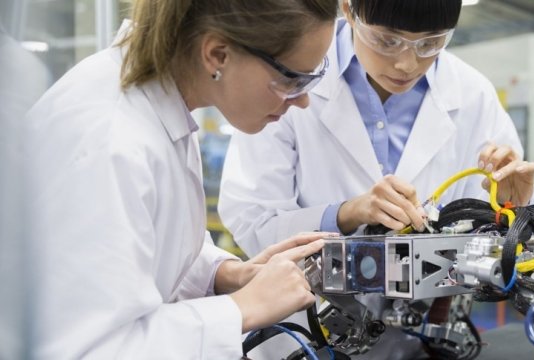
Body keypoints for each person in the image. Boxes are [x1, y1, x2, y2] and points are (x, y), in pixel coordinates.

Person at [219, 0, 534, 358]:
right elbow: (252, 220)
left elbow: (513, 252)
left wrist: (516, 205)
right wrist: (347, 213)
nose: (407, 63)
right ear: (349, 9)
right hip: (306, 334)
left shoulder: (473, 95)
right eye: (387, 41)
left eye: (430, 43)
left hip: (423, 342)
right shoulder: (294, 75)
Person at [23, 0, 337, 358]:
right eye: (290, 79)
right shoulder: (109, 141)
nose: (303, 102)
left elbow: (144, 247)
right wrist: (240, 309)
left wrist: (229, 274)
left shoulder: (159, 105)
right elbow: (90, 348)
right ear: (217, 55)